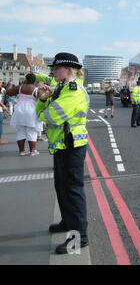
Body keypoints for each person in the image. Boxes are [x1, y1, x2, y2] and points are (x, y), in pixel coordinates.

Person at [36, 52, 90, 254]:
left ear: (69, 70)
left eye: (56, 68)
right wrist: (43, 100)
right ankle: (68, 222)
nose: (52, 71)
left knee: (73, 191)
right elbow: (42, 113)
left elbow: (50, 117)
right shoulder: (62, 88)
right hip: (62, 146)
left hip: (72, 147)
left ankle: (79, 238)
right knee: (62, 187)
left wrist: (43, 105)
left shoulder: (73, 91)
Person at [6, 74, 42, 156]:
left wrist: (9, 85)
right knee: (32, 131)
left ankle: (22, 151)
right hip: (31, 112)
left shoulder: (20, 87)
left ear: (26, 79)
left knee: (20, 131)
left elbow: (8, 92)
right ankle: (32, 151)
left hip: (19, 110)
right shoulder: (36, 90)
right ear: (34, 81)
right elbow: (42, 100)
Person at [0, 80, 8, 145]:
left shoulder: (2, 89)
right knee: (0, 125)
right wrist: (3, 106)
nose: (1, 84)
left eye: (1, 82)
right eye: (0, 82)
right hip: (0, 110)